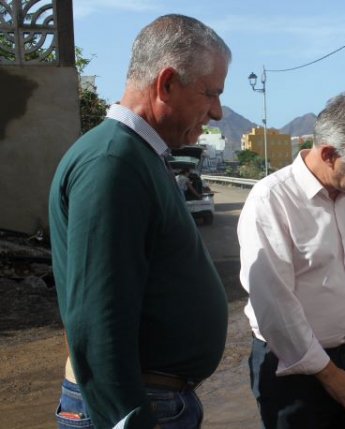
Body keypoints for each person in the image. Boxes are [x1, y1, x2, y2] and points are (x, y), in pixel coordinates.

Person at [49, 15, 231, 429]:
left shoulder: (137, 157)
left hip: (156, 402)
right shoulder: (113, 162)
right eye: (211, 94)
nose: (217, 112)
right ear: (167, 83)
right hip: (139, 407)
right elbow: (96, 321)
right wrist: (126, 418)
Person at [238, 91, 345, 429]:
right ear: (328, 154)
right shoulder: (271, 200)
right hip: (293, 369)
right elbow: (275, 305)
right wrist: (328, 373)